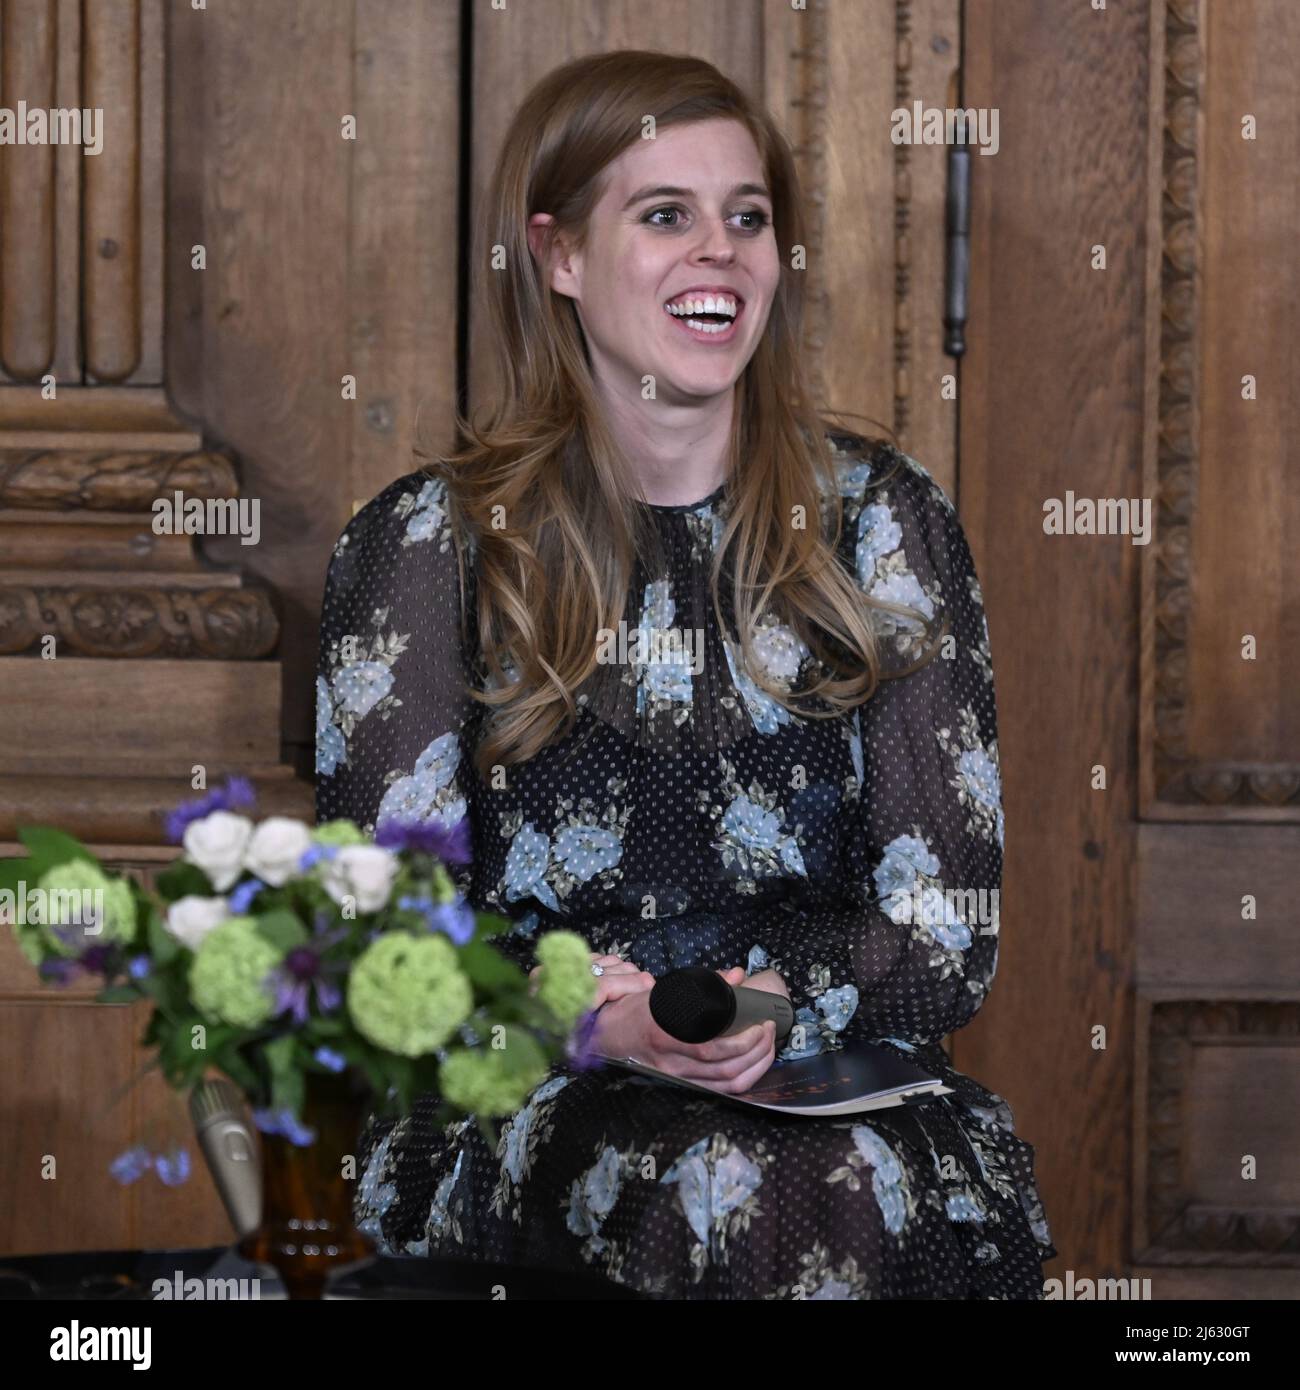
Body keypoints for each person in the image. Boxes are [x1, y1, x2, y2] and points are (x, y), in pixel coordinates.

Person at [314, 50, 1056, 1299]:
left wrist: (769, 1002)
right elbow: (377, 945)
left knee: (802, 1182)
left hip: (827, 1076)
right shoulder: (428, 543)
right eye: (665, 214)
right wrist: (596, 1020)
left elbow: (946, 935)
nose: (721, 250)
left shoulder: (881, 519)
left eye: (747, 217)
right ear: (556, 254)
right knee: (707, 1186)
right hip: (528, 1085)